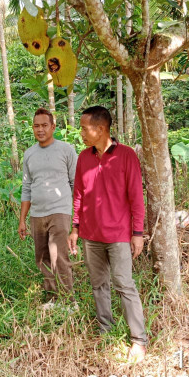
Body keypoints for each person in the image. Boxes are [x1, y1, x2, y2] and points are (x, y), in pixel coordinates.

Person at [67, 106, 148, 363]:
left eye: (84, 128)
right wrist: (76, 228)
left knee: (124, 284)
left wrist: (138, 233)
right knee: (98, 284)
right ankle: (106, 329)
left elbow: (136, 196)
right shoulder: (84, 157)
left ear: (100, 129)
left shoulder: (126, 156)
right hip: (91, 235)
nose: (81, 132)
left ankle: (139, 340)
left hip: (119, 235)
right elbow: (78, 193)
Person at [18, 108, 79, 309]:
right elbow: (27, 187)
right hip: (37, 213)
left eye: (45, 125)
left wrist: (76, 218)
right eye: (36, 126)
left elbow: (75, 183)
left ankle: (69, 302)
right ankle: (53, 298)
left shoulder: (66, 150)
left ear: (53, 127)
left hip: (59, 211)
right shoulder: (29, 154)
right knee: (42, 257)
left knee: (58, 256)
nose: (40, 129)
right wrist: (22, 219)